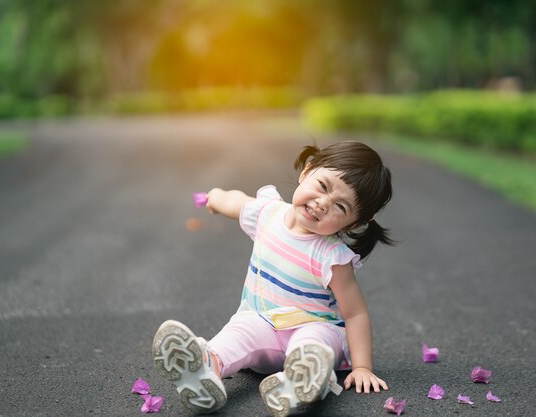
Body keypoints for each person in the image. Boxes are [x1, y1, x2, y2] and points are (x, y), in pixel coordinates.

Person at [152, 141, 395, 416]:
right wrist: (215, 197)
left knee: (317, 339)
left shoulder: (333, 258)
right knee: (238, 332)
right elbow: (236, 201)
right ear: (308, 171)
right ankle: (205, 369)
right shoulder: (268, 214)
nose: (322, 204)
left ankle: (299, 383)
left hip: (310, 327)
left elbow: (354, 313)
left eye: (340, 206)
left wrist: (362, 367)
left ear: (354, 223)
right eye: (323, 186)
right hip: (262, 324)